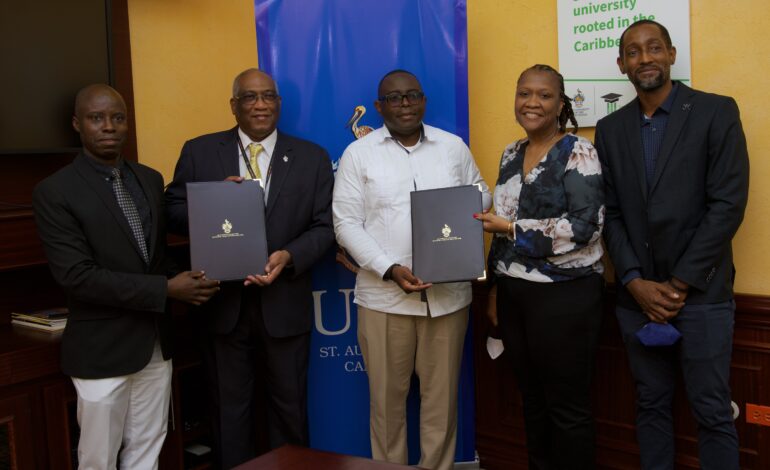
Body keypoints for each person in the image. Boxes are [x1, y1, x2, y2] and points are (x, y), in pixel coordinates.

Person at [32, 84, 220, 469]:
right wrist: (168, 289)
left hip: (154, 344)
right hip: (102, 351)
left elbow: (155, 256)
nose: (108, 127)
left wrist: (223, 202)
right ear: (77, 124)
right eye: (96, 118)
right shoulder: (55, 191)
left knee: (147, 451)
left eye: (117, 118)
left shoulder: (149, 179)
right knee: (98, 459)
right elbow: (77, 276)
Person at [595, 20, 749, 470]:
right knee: (650, 406)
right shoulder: (609, 129)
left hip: (701, 295)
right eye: (634, 52)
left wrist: (678, 283)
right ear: (621, 64)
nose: (645, 58)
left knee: (713, 412)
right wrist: (634, 280)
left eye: (654, 48)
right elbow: (612, 213)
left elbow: (727, 205)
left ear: (672, 54)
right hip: (635, 299)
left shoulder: (716, 112)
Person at [165, 68, 335, 468]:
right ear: (234, 105)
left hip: (285, 302)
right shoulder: (200, 151)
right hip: (222, 306)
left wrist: (288, 256)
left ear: (278, 103)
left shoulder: (311, 157)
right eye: (250, 97)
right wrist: (212, 201)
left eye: (269, 96)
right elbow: (170, 210)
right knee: (229, 413)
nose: (260, 104)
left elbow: (325, 227)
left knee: (290, 411)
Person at [333, 69, 490, 470]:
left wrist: (460, 210)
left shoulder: (452, 147)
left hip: (448, 297)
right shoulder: (358, 154)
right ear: (379, 105)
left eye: (412, 96)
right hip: (385, 300)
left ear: (423, 100)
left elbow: (481, 193)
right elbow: (346, 223)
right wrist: (388, 268)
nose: (405, 105)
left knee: (441, 404)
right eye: (394, 98)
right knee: (387, 408)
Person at [475, 64, 605, 469]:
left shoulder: (579, 151)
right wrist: (495, 287)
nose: (532, 102)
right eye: (524, 93)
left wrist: (513, 227)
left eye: (545, 95)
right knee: (531, 400)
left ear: (560, 104)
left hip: (566, 296)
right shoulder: (511, 154)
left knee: (567, 407)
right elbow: (500, 234)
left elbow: (586, 227)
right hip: (515, 295)